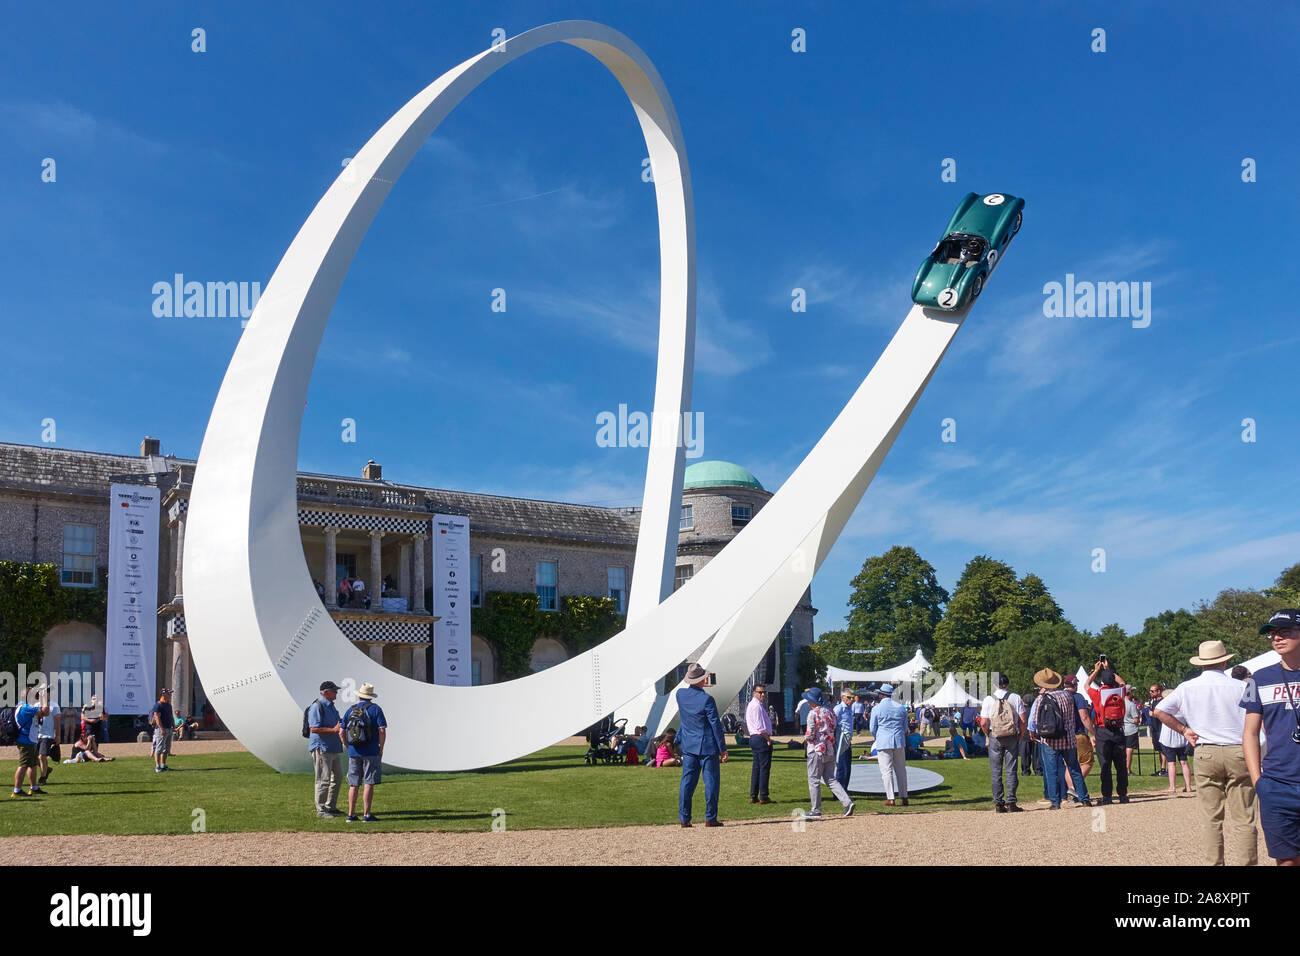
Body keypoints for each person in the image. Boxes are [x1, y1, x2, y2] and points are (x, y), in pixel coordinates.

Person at [1152, 640, 1256, 866]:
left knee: (1211, 818)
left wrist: (1184, 730)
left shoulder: (1187, 687)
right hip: (1238, 750)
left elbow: (1159, 711)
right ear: (1225, 661)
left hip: (1205, 750)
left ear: (1200, 663)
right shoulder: (1242, 686)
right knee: (1244, 818)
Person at [1242, 610, 1300, 865]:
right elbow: (1250, 733)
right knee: (1286, 861)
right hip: (1277, 785)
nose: (1276, 637)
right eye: (1272, 633)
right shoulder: (1259, 679)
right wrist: (1258, 782)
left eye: (1284, 631)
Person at [1028, 669, 1093, 809]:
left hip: (1049, 740)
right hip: (1068, 738)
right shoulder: (1068, 696)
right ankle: (1084, 798)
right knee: (1075, 768)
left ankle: (1055, 802)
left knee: (1051, 771)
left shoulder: (1041, 698)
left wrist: (1032, 733)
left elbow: (1035, 720)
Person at [675, 663, 728, 827]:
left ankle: (684, 819)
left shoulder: (680, 695)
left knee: (687, 782)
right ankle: (710, 817)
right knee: (711, 781)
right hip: (707, 745)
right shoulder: (707, 699)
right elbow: (715, 725)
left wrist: (677, 739)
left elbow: (685, 719)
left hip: (689, 745)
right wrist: (723, 748)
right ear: (701, 679)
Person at [979, 673, 1026, 813]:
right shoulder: (1015, 697)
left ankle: (998, 803)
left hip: (995, 735)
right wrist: (1020, 735)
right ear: (1008, 684)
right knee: (1011, 770)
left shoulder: (988, 699)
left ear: (995, 685)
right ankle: (1011, 802)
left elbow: (983, 722)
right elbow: (1023, 720)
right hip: (1011, 735)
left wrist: (988, 734)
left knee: (996, 771)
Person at [341, 682, 387, 822]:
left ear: (359, 696)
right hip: (371, 750)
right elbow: (382, 730)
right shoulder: (375, 709)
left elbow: (341, 732)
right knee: (369, 782)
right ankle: (366, 814)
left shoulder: (350, 710)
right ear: (370, 696)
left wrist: (348, 746)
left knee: (354, 784)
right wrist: (381, 747)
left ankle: (351, 814)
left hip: (354, 751)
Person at [1086, 661, 1130, 806]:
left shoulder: (1099, 693)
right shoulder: (1120, 692)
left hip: (1102, 731)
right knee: (1121, 766)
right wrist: (1108, 669)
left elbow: (1086, 685)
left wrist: (1096, 671)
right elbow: (1123, 682)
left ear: (1102, 681)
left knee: (1105, 765)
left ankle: (1107, 796)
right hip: (1118, 731)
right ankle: (1123, 795)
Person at [807, 688, 855, 816]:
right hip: (830, 749)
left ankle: (816, 809)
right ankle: (847, 802)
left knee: (814, 780)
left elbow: (810, 734)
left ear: (812, 702)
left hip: (816, 749)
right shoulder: (829, 712)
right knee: (831, 779)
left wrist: (805, 739)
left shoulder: (813, 713)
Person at [308, 680, 345, 819]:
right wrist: (333, 730)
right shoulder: (317, 707)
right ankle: (321, 809)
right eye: (334, 691)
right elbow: (314, 728)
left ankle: (331, 806)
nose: (337, 693)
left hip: (333, 747)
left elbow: (337, 723)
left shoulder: (331, 706)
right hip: (322, 748)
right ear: (326, 692)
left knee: (338, 777)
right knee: (323, 779)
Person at [868, 684, 908, 807]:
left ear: (881, 695)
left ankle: (891, 798)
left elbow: (872, 728)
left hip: (884, 740)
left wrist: (878, 737)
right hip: (899, 740)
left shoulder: (877, 708)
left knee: (886, 771)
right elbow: (905, 727)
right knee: (901, 770)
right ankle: (904, 796)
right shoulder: (901, 708)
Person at [1061, 675, 1095, 803]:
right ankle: (1075, 787)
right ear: (1075, 684)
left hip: (1064, 735)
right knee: (1086, 762)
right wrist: (1093, 733)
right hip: (1078, 734)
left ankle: (1071, 788)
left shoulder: (1060, 696)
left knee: (1069, 764)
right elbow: (1084, 717)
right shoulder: (1078, 697)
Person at [11, 694, 48, 797]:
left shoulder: (20, 705)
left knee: (32, 765)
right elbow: (45, 712)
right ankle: (17, 790)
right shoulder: (26, 707)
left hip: (29, 739)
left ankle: (34, 788)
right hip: (26, 740)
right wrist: (44, 698)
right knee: (23, 765)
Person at [745, 683, 773, 804]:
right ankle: (763, 796)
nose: (762, 695)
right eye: (760, 692)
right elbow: (760, 727)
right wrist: (768, 739)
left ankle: (753, 795)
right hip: (760, 737)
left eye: (764, 692)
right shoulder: (756, 706)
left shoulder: (755, 705)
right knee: (764, 768)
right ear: (754, 693)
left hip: (755, 738)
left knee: (757, 767)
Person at [35, 693, 61, 785]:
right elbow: (35, 721)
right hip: (37, 735)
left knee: (42, 756)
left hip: (48, 735)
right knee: (34, 758)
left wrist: (58, 736)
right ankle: (47, 769)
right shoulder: (36, 705)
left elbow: (57, 722)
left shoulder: (54, 706)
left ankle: (43, 778)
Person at [833, 688, 856, 790]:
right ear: (842, 698)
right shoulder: (839, 709)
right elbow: (833, 724)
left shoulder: (849, 709)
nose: (852, 700)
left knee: (847, 767)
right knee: (841, 767)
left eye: (853, 697)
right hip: (840, 741)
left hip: (848, 741)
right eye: (849, 697)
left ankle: (844, 789)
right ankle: (838, 791)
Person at [150, 689, 174, 773]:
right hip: (161, 729)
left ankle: (163, 765)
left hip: (169, 728)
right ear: (163, 694)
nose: (170, 695)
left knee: (166, 748)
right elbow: (157, 717)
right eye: (169, 693)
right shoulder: (158, 705)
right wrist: (161, 728)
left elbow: (171, 716)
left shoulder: (168, 705)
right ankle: (157, 766)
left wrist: (173, 725)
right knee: (159, 748)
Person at [1123, 686, 1142, 774]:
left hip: (1122, 728)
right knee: (1129, 749)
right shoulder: (1131, 705)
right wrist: (1138, 720)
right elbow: (1136, 719)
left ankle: (1123, 768)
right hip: (1131, 729)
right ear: (1129, 692)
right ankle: (1127, 769)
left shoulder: (1119, 703)